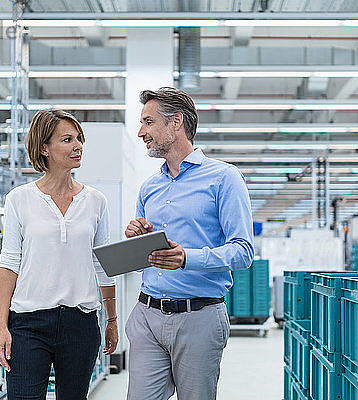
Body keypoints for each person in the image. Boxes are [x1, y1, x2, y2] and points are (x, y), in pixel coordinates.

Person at [125, 87, 254, 400]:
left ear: (176, 123)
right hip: (147, 314)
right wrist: (137, 238)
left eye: (148, 122)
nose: (141, 132)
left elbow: (243, 250)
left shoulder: (224, 178)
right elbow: (148, 254)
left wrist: (188, 258)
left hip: (199, 317)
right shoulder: (149, 187)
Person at [0, 109, 118, 400]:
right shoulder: (19, 199)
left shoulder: (96, 201)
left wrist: (111, 320)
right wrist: (2, 327)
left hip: (80, 323)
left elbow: (103, 265)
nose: (77, 146)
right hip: (28, 324)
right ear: (44, 149)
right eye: (67, 139)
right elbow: (9, 263)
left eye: (79, 139)